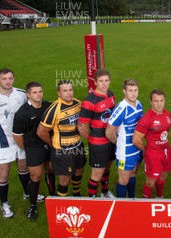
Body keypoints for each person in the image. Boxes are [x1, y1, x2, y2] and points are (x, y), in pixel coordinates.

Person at [0, 68, 37, 219]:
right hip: (2, 142)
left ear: (14, 79)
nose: (8, 81)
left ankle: (27, 193)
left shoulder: (22, 94)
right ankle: (4, 204)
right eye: (4, 79)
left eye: (10, 78)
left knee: (23, 167)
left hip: (20, 138)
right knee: (4, 173)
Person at [12, 81, 54, 220]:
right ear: (28, 94)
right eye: (35, 92)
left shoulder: (48, 106)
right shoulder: (22, 113)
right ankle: (33, 206)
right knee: (36, 176)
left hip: (49, 144)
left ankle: (53, 198)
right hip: (34, 148)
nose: (38, 94)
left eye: (40, 91)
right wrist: (28, 149)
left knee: (50, 169)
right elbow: (17, 136)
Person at [37, 80, 85, 198]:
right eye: (65, 91)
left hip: (78, 146)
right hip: (63, 150)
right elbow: (41, 132)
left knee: (79, 171)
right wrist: (52, 142)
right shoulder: (53, 110)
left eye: (70, 90)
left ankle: (76, 195)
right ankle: (61, 206)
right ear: (58, 93)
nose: (68, 93)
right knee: (65, 179)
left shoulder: (78, 104)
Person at [78, 69, 116, 198]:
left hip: (111, 140)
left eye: (106, 81)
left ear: (109, 81)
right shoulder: (89, 101)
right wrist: (91, 138)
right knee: (97, 174)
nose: (104, 84)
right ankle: (92, 200)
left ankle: (104, 193)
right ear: (95, 82)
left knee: (107, 168)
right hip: (98, 143)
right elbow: (82, 126)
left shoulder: (110, 94)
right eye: (101, 81)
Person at [105, 78, 143, 198]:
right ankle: (120, 205)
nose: (133, 93)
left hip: (137, 148)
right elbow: (109, 132)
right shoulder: (121, 108)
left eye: (135, 90)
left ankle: (132, 199)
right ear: (124, 91)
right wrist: (120, 143)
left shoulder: (139, 105)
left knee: (132, 175)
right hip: (125, 153)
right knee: (123, 179)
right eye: (130, 90)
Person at [133, 89, 171, 199]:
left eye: (161, 100)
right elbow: (136, 139)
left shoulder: (168, 115)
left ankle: (160, 197)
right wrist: (146, 150)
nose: (159, 104)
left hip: (166, 150)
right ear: (151, 102)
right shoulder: (146, 119)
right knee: (151, 181)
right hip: (153, 154)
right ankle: (146, 204)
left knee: (163, 176)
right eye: (156, 101)